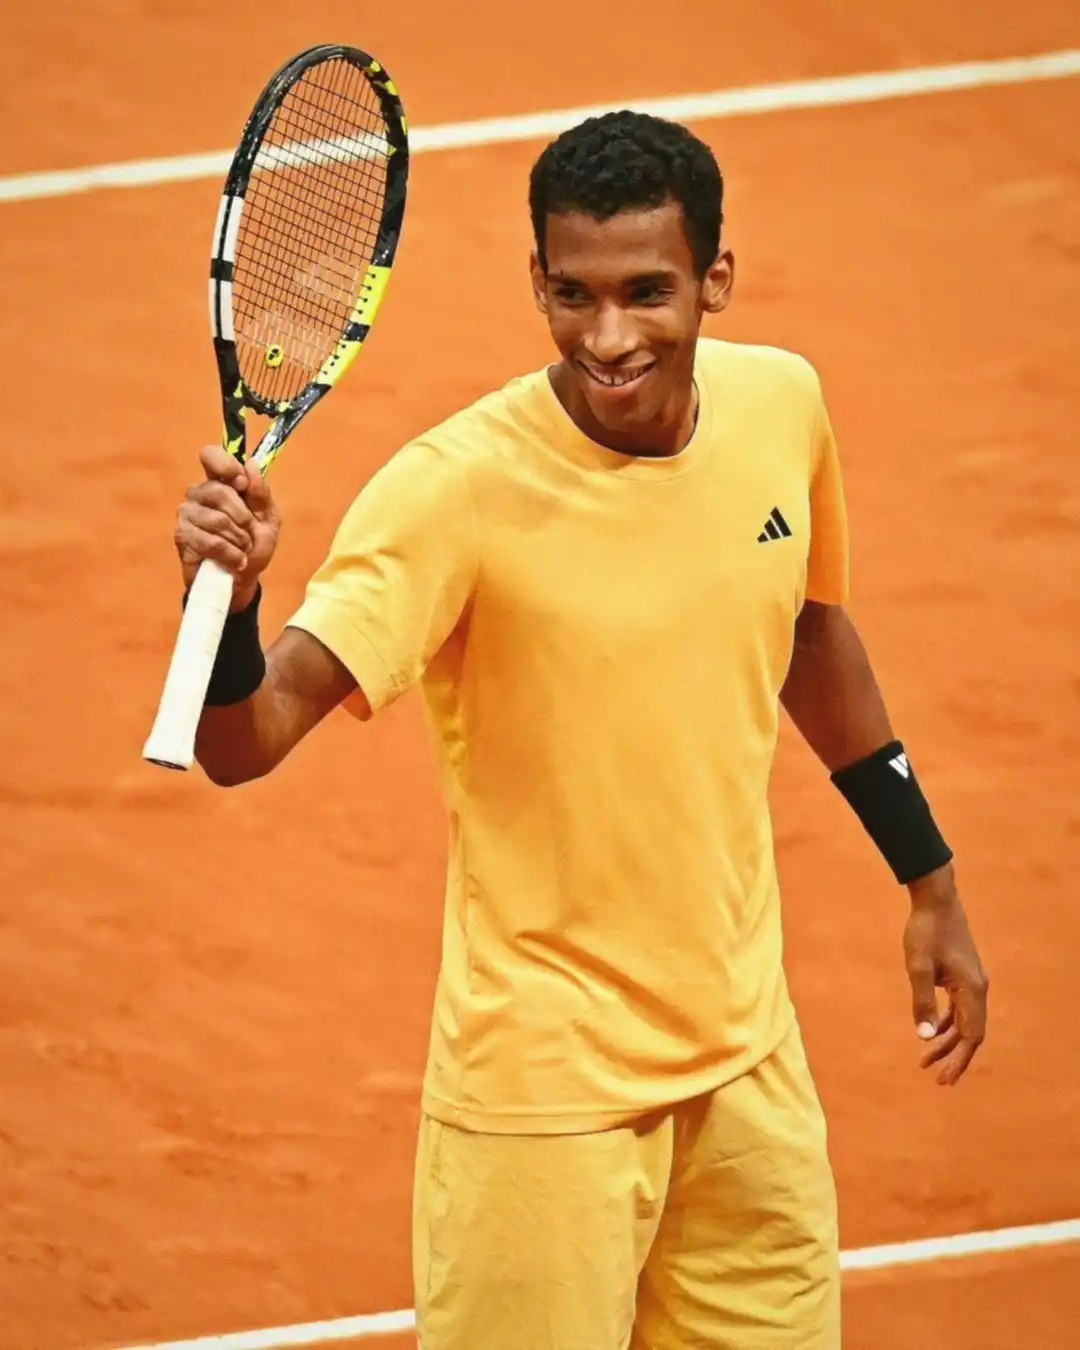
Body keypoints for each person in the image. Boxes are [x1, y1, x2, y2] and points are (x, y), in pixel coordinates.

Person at [173, 111, 988, 1349]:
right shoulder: (454, 489)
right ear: (538, 281)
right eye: (573, 295)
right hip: (541, 1102)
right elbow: (245, 739)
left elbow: (811, 636)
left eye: (647, 292)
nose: (608, 339)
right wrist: (232, 610)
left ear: (716, 278)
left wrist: (929, 879)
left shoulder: (781, 405)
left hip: (746, 1070)